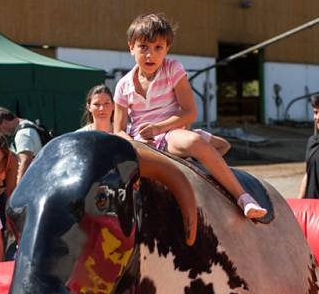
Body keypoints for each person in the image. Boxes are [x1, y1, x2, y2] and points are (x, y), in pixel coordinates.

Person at [113, 13, 266, 219]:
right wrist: (133, 143)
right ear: (131, 47)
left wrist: (158, 128)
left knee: (208, 143)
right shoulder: (123, 85)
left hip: (168, 133)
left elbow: (189, 111)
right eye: (144, 47)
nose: (150, 55)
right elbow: (118, 129)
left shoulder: (172, 69)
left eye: (158, 48)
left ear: (167, 49)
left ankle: (243, 197)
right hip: (142, 142)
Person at [0, 107, 43, 183]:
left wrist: (19, 186)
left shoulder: (22, 134)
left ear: (4, 122)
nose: (1, 133)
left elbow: (25, 161)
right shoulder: (28, 123)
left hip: (35, 181)